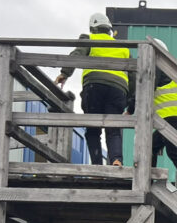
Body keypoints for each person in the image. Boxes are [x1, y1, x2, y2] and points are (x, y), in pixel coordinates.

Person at [125, 40, 177, 207]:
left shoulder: (156, 67)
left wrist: (131, 108)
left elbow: (146, 87)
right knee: (150, 146)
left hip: (174, 115)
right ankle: (148, 179)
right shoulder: (169, 70)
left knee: (175, 153)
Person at [55, 12, 129, 167]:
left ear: (93, 28)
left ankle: (97, 165)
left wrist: (64, 73)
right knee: (113, 128)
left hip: (95, 86)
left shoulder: (89, 38)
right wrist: (131, 102)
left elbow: (77, 54)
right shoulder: (123, 48)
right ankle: (116, 160)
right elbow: (134, 77)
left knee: (93, 128)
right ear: (108, 29)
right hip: (118, 90)